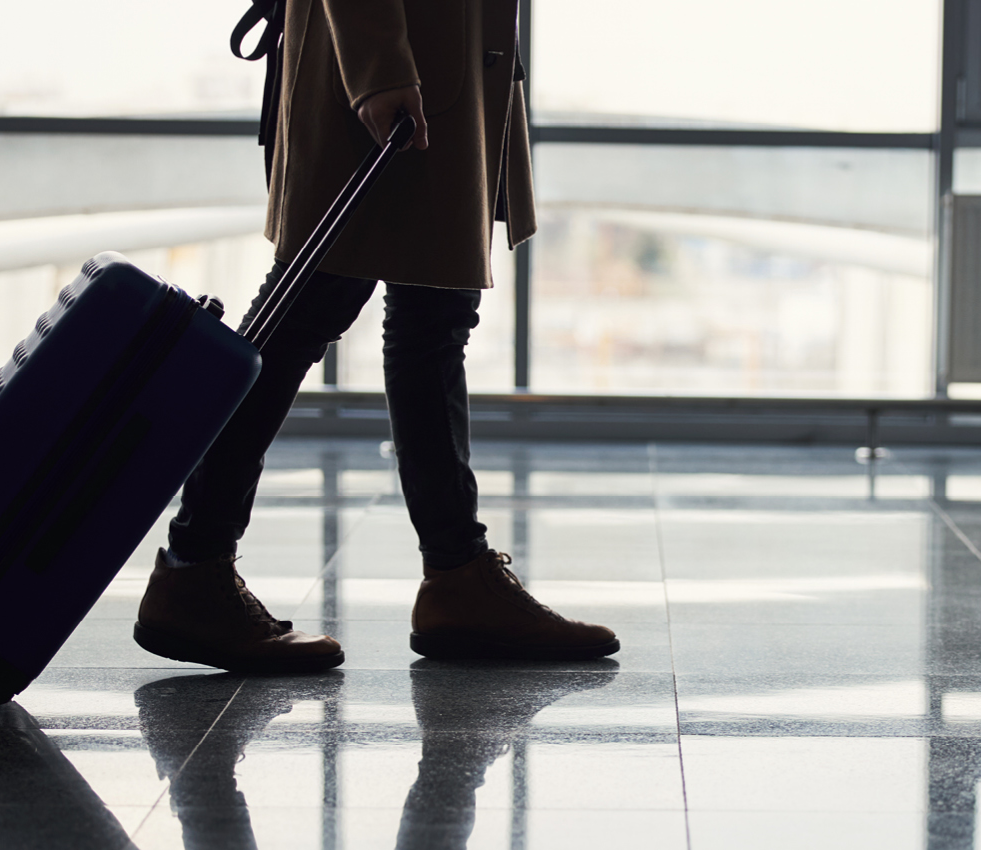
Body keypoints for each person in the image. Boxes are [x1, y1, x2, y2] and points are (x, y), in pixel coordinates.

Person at [131, 0, 617, 673]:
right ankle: (195, 565)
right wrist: (379, 68)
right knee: (309, 311)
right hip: (396, 75)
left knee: (425, 317)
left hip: (428, 68)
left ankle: (456, 576)